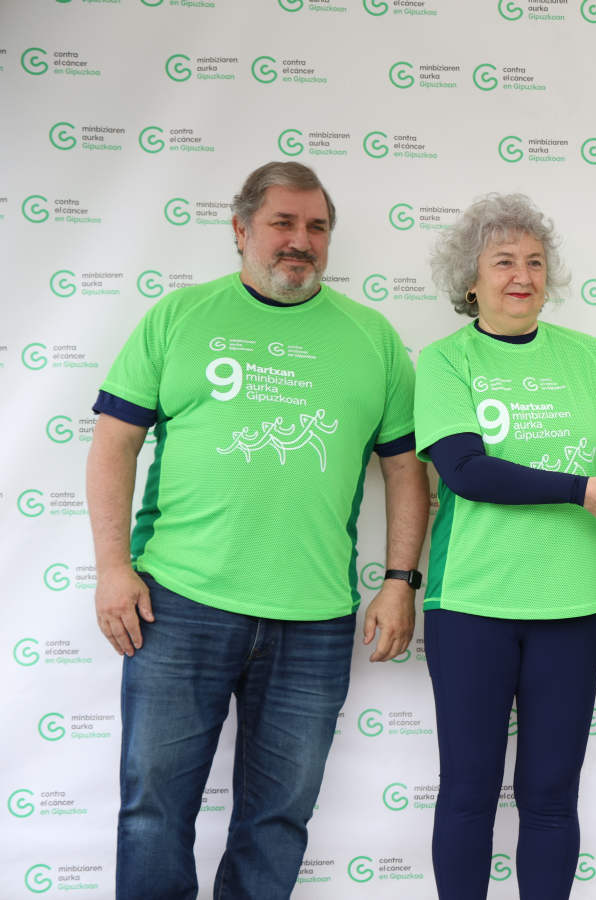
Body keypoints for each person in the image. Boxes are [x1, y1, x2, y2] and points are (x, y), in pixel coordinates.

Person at [86, 160, 429, 899]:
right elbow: (114, 441)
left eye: (316, 227)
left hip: (314, 621)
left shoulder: (371, 338)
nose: (299, 241)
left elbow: (405, 471)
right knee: (153, 813)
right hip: (176, 605)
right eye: (282, 223)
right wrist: (113, 567)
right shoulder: (179, 317)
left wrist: (400, 582)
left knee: (278, 821)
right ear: (240, 229)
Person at [415, 193, 596, 899]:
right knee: (470, 790)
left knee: (549, 794)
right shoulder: (447, 361)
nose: (523, 275)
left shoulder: (587, 359)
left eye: (536, 262)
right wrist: (580, 490)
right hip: (473, 604)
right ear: (472, 280)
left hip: (571, 603)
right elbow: (465, 471)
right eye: (504, 261)